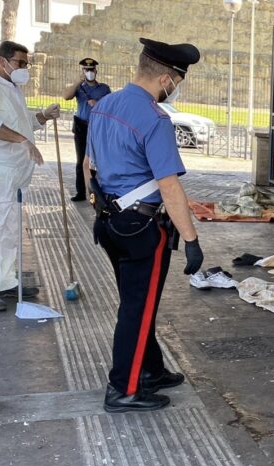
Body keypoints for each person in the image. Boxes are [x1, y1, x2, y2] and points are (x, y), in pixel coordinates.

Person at [85, 38, 204, 413]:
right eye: (178, 83)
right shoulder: (154, 119)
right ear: (168, 78)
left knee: (138, 303)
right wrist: (191, 239)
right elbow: (169, 186)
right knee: (136, 309)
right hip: (141, 230)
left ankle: (150, 370)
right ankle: (124, 388)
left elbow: (89, 164)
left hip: (110, 223)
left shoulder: (104, 106)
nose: (176, 89)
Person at [0, 41, 60, 312]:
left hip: (14, 171)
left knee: (9, 228)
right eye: (20, 63)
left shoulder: (10, 87)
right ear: (2, 61)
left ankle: (4, 282)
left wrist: (42, 117)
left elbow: (21, 122)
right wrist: (22, 140)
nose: (24, 69)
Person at [63, 57, 112, 202]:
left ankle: (97, 192)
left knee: (97, 160)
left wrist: (97, 103)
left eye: (91, 70)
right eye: (86, 70)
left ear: (96, 71)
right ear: (83, 71)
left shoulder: (104, 88)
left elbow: (110, 107)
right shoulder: (79, 88)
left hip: (97, 127)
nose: (89, 72)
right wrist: (78, 81)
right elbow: (66, 96)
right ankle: (81, 192)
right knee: (81, 161)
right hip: (81, 126)